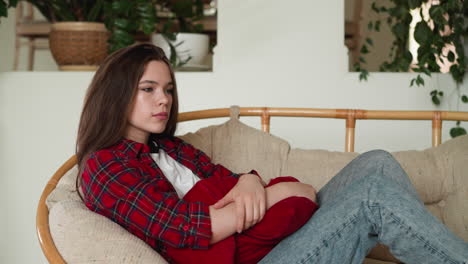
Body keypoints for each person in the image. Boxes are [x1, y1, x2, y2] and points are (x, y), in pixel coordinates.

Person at [76, 43, 468, 264]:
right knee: (373, 199)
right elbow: (185, 227)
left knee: (377, 161)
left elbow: (231, 182)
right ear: (118, 94)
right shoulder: (105, 166)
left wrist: (249, 182)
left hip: (268, 239)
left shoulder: (169, 147)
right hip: (256, 261)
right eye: (149, 89)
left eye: (168, 89)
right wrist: (265, 195)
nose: (164, 100)